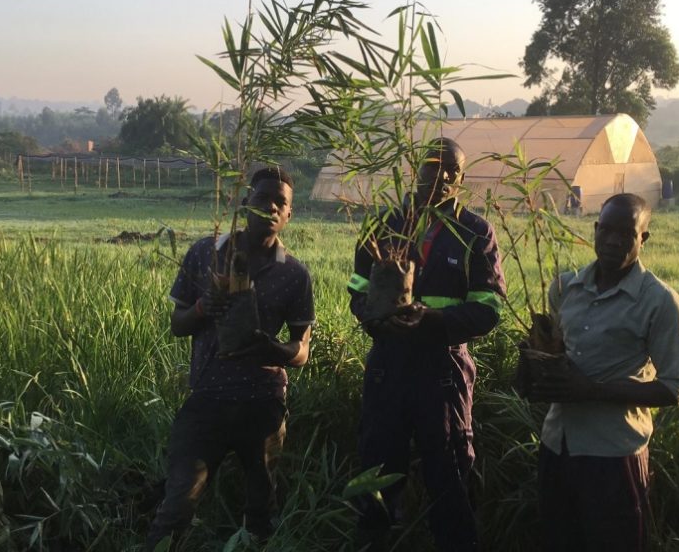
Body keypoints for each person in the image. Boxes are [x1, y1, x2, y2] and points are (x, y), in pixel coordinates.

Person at [346, 137, 506, 552]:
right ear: (417, 169)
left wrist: (433, 320)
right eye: (435, 165)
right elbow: (357, 292)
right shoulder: (383, 224)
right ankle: (374, 541)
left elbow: (488, 309)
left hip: (444, 371)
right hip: (388, 364)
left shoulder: (476, 231)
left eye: (453, 169)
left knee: (450, 471)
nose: (444, 175)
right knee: (378, 468)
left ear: (462, 177)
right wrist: (376, 318)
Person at [146, 167, 315, 551]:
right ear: (245, 203)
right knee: (177, 505)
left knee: (261, 511)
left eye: (281, 203)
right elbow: (178, 324)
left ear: (289, 215)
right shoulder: (206, 252)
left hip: (264, 406)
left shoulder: (295, 275)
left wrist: (274, 350)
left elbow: (302, 350)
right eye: (262, 198)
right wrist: (205, 307)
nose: (270, 207)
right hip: (207, 400)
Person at [521, 193, 679, 552]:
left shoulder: (659, 301)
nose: (614, 241)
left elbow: (675, 388)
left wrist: (594, 390)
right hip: (558, 446)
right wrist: (532, 364)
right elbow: (555, 363)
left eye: (627, 234)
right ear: (595, 229)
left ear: (643, 238)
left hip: (614, 456)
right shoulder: (565, 287)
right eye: (607, 230)